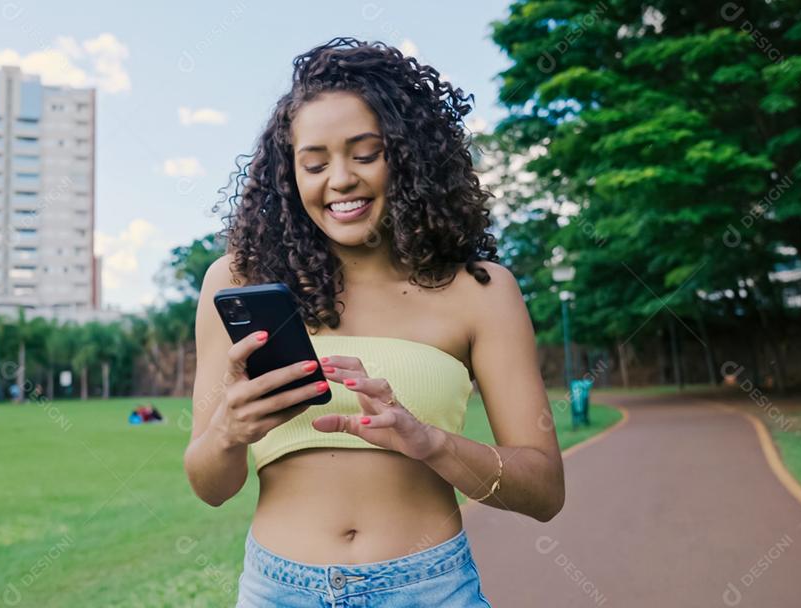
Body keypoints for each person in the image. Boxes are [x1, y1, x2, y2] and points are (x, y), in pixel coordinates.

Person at [184, 38, 564, 607]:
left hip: (431, 589)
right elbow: (209, 486)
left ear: (409, 157)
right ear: (290, 175)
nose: (339, 180)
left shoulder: (480, 291)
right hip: (278, 592)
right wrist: (227, 433)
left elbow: (543, 490)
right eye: (314, 163)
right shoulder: (236, 281)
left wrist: (430, 442)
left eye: (365, 155)